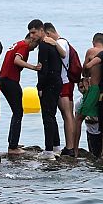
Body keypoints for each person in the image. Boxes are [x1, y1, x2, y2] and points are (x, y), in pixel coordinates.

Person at [0, 33, 40, 154]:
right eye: (35, 45)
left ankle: (12, 141)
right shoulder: (24, 46)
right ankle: (13, 147)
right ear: (31, 40)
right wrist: (33, 67)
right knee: (18, 112)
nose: (34, 49)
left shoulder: (17, 44)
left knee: (16, 111)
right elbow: (17, 60)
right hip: (10, 80)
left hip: (4, 80)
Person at [30, 19, 61, 160]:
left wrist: (40, 86)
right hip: (57, 81)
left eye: (34, 32)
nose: (32, 36)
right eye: (30, 33)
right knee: (52, 115)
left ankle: (48, 150)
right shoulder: (51, 43)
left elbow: (44, 68)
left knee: (47, 117)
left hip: (49, 83)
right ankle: (55, 146)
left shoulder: (43, 45)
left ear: (42, 30)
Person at [44, 23, 76, 156]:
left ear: (48, 34)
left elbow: (62, 54)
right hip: (67, 81)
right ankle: (72, 145)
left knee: (67, 114)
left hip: (64, 82)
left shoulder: (61, 42)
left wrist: (53, 43)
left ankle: (69, 147)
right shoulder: (64, 41)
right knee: (68, 115)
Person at [73, 33, 103, 157]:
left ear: (93, 42)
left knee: (78, 118)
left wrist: (86, 78)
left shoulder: (91, 51)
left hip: (94, 88)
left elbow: (85, 69)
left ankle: (75, 150)